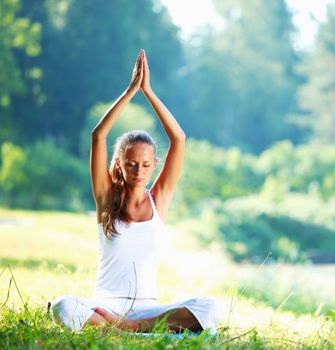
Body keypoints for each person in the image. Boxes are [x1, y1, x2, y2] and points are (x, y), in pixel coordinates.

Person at [50, 49, 221, 334]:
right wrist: (131, 91)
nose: (139, 170)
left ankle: (128, 327)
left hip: (147, 309)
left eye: (145, 164)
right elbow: (98, 136)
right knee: (62, 306)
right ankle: (128, 327)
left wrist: (149, 91)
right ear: (119, 164)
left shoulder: (159, 201)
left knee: (209, 307)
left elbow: (178, 138)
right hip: (105, 306)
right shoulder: (106, 198)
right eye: (131, 164)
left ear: (154, 164)